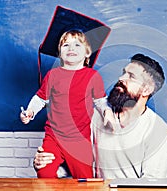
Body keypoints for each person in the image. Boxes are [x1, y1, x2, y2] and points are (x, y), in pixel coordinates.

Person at [34, 53, 167, 179]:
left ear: (147, 89)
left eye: (131, 76)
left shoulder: (157, 130)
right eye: (124, 72)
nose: (121, 78)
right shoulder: (95, 116)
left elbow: (152, 184)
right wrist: (48, 165)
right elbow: (78, 165)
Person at [20, 30, 110, 179]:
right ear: (60, 53)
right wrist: (30, 112)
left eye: (77, 45)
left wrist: (107, 112)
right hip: (53, 137)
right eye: (66, 45)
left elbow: (100, 101)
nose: (71, 48)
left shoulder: (92, 76)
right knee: (44, 172)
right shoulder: (53, 75)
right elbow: (41, 99)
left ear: (87, 53)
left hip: (79, 140)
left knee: (85, 179)